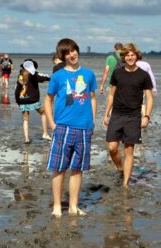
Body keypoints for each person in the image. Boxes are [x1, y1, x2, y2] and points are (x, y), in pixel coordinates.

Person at [45, 38, 97, 217]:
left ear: (77, 51)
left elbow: (92, 97)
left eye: (73, 50)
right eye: (67, 53)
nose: (71, 54)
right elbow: (48, 99)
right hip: (63, 128)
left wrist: (92, 121)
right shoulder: (58, 76)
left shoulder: (89, 74)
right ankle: (57, 206)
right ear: (62, 56)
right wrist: (52, 123)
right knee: (59, 168)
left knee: (77, 169)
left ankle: (74, 206)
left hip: (84, 128)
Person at [102, 43, 153, 189]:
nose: (130, 57)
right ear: (123, 57)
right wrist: (106, 114)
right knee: (112, 148)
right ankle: (119, 168)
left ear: (137, 56)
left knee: (129, 151)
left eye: (132, 55)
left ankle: (125, 183)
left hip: (133, 116)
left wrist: (146, 116)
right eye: (127, 55)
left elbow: (149, 98)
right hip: (117, 114)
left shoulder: (143, 75)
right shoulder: (118, 73)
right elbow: (111, 95)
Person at [14, 59, 51, 144]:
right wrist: (52, 78)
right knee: (43, 113)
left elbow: (17, 90)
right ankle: (45, 133)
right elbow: (44, 77)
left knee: (25, 120)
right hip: (33, 100)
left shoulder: (20, 76)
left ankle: (26, 138)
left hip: (22, 100)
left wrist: (17, 101)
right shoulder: (34, 75)